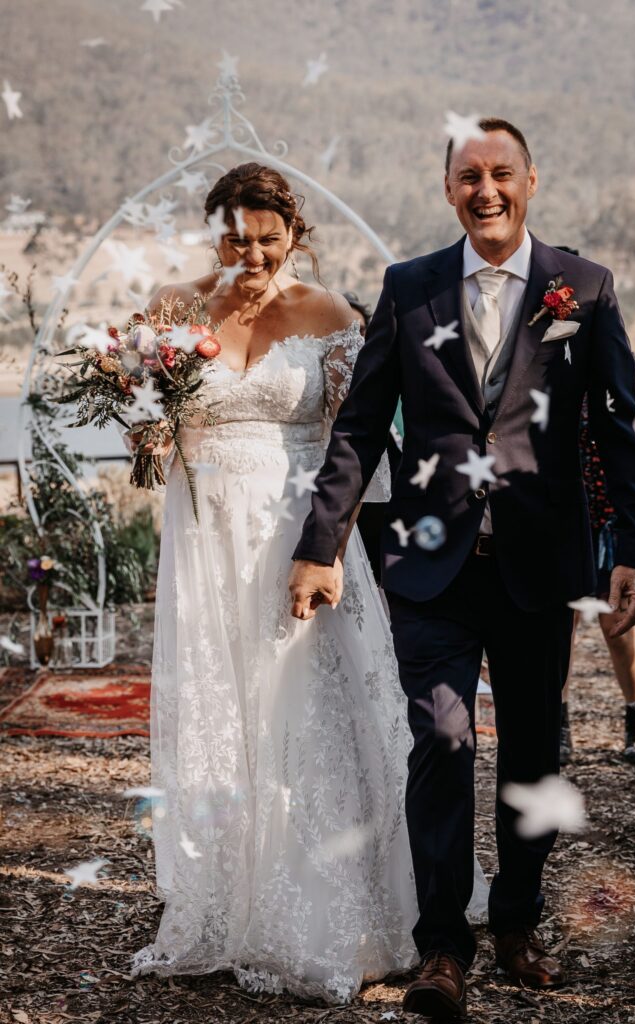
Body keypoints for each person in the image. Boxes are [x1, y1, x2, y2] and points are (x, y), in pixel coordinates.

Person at [289, 119, 635, 1020]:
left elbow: (619, 427)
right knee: (443, 741)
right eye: (467, 176)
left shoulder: (586, 288)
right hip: (431, 567)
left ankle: (517, 921)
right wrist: (320, 543)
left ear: (530, 180)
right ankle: (442, 949)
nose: (484, 189)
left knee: (534, 753)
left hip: (540, 565)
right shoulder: (408, 287)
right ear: (446, 189)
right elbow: (360, 423)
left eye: (500, 173)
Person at [130, 162, 488, 1003]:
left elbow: (354, 440)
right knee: (225, 705)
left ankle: (341, 908)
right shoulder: (175, 308)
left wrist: (327, 548)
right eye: (233, 237)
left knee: (313, 711)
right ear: (212, 230)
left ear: (294, 235)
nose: (249, 254)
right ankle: (228, 895)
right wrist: (145, 422)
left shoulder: (329, 314)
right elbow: (149, 419)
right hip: (205, 537)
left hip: (299, 536)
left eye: (266, 238)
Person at [560, 393, 635, 766]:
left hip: (609, 521)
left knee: (617, 622)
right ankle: (558, 725)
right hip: (562, 519)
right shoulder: (547, 364)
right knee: (560, 624)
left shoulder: (617, 372)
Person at [344, 291, 403, 584]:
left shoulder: (396, 387)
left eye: (362, 331)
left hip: (389, 522)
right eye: (348, 332)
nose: (356, 340)